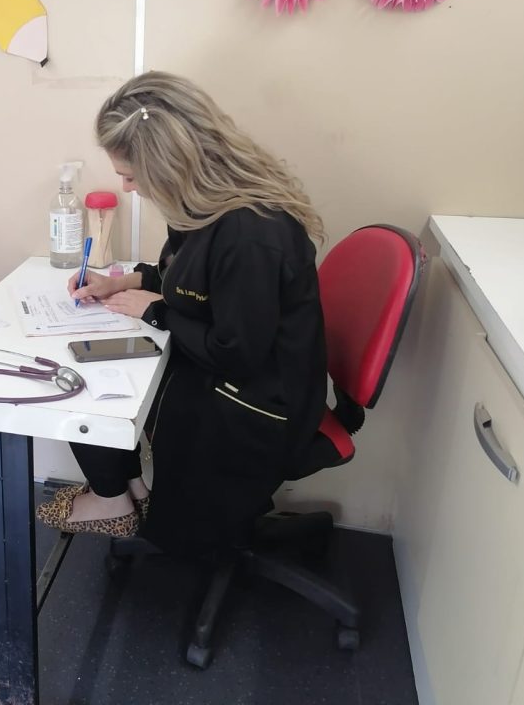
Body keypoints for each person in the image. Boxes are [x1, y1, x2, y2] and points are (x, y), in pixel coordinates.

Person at [36, 71, 327, 555]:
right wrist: (124, 282)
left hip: (259, 403)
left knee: (95, 383)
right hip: (244, 374)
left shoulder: (251, 235)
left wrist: (157, 313)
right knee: (90, 365)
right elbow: (194, 281)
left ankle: (119, 500)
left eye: (132, 176)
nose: (127, 188)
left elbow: (237, 354)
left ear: (169, 165)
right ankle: (128, 492)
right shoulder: (207, 206)